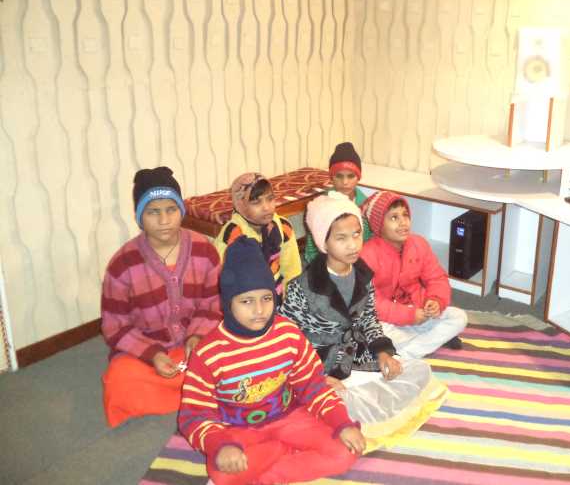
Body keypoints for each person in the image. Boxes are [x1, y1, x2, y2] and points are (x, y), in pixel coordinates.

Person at [178, 236, 364, 485]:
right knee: (222, 475)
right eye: (246, 301)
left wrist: (342, 423)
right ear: (227, 303)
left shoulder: (288, 334)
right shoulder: (208, 353)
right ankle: (280, 450)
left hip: (290, 417)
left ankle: (273, 475)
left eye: (266, 298)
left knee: (345, 451)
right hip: (238, 430)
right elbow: (194, 414)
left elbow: (314, 386)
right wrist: (220, 445)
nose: (259, 310)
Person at [281, 193, 443, 448]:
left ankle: (353, 403)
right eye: (341, 238)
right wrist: (317, 378)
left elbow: (369, 319)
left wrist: (383, 354)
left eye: (356, 235)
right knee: (330, 397)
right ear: (323, 242)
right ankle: (338, 405)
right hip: (319, 365)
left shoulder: (363, 275)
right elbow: (287, 339)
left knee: (417, 370)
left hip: (355, 354)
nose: (353, 245)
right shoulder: (302, 287)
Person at [100, 166, 221, 428]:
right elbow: (115, 326)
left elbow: (214, 304)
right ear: (139, 217)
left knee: (236, 354)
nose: (164, 220)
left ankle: (192, 386)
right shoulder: (122, 264)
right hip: (148, 352)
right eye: (153, 211)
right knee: (119, 381)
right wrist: (152, 354)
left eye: (171, 209)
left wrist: (197, 337)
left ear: (181, 211)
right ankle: (195, 391)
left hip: (196, 346)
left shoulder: (205, 250)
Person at [360, 191, 468, 359]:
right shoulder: (367, 254)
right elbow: (370, 302)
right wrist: (407, 316)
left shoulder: (418, 244)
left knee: (459, 317)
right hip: (388, 320)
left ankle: (402, 353)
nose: (403, 222)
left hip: (420, 312)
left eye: (405, 215)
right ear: (378, 225)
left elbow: (437, 278)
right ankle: (426, 342)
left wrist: (435, 301)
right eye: (394, 218)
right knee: (368, 334)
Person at [213, 172, 301, 300]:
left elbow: (292, 271)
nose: (266, 207)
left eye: (270, 199)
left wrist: (291, 301)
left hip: (279, 294)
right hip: (245, 298)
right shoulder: (232, 235)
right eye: (256, 202)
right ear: (241, 205)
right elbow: (222, 281)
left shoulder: (282, 227)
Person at [303, 142, 373, 264]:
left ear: (358, 177)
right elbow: (312, 250)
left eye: (351, 176)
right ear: (331, 177)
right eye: (339, 176)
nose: (345, 182)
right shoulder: (321, 206)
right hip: (328, 264)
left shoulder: (367, 205)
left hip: (360, 260)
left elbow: (370, 242)